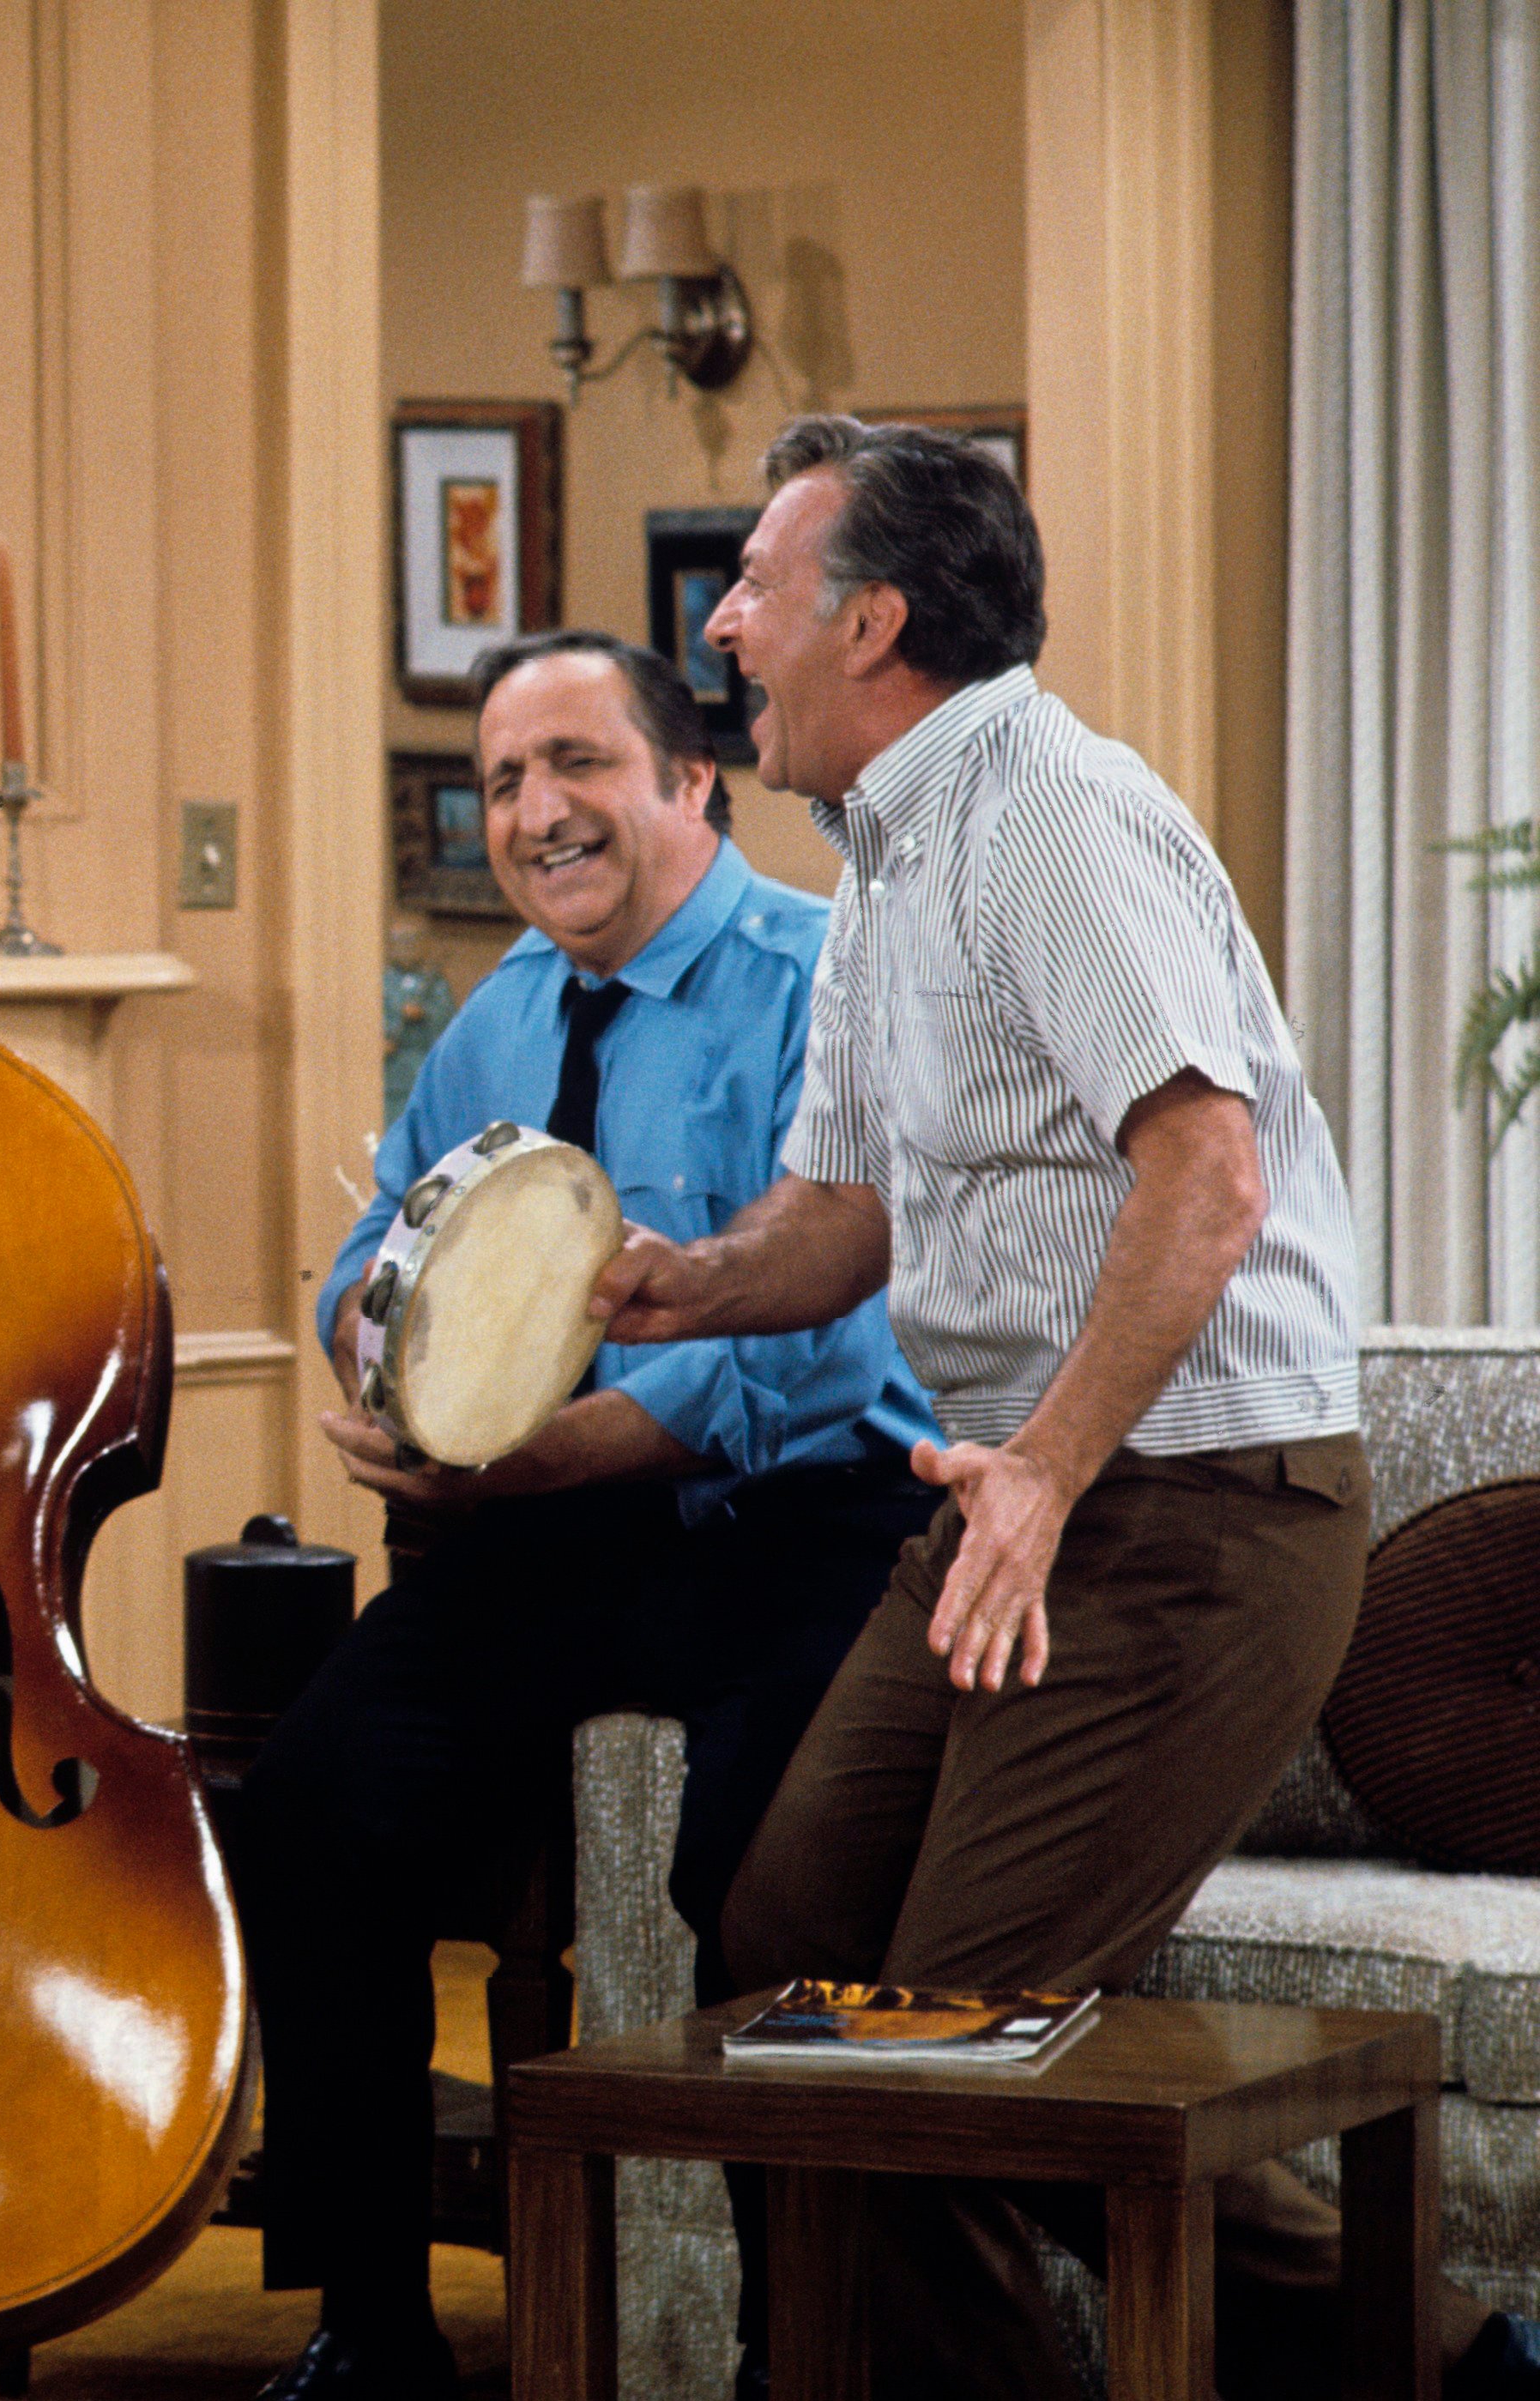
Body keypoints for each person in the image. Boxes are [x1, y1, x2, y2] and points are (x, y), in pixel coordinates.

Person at [601, 415, 1540, 2400]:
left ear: (872, 619)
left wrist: (1036, 1468)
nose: (721, 622)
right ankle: (1460, 2367)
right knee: (776, 1959)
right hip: (1020, 1504)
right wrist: (678, 1283)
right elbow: (850, 1213)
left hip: (1196, 1516)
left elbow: (1204, 1171)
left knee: (929, 2042)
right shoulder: (883, 847)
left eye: (756, 583)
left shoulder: (1048, 816)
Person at [239, 630, 939, 2401]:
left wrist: (541, 1452)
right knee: (318, 1800)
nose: (535, 813)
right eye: (499, 781)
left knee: (747, 1876)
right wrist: (379, 1360)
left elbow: (820, 1342)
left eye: (575, 764)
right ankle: (369, 2330)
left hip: (809, 1516)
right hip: (556, 1529)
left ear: (686, 777)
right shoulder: (498, 1013)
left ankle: (798, 2353)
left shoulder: (821, 975)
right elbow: (370, 1251)